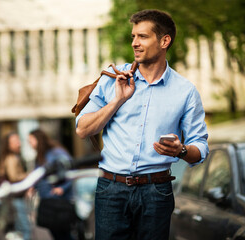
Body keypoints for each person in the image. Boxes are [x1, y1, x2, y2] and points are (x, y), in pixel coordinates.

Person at [75, 9, 209, 240]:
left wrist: (181, 150)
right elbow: (83, 129)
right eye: (133, 37)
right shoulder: (111, 80)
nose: (135, 43)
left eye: (143, 37)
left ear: (164, 41)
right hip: (110, 189)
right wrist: (118, 100)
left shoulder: (185, 91)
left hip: (156, 191)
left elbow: (201, 148)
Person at [28, 129, 74, 240]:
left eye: (31, 141)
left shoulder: (56, 152)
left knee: (64, 234)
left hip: (59, 200)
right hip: (46, 201)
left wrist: (62, 188)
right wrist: (33, 187)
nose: (29, 144)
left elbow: (70, 170)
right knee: (55, 233)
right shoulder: (39, 157)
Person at [0, 132, 32, 240]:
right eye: (15, 141)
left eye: (19, 140)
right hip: (15, 197)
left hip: (9, 196)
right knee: (25, 228)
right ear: (8, 144)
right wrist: (29, 174)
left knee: (15, 228)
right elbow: (13, 177)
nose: (19, 143)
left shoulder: (6, 157)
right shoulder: (11, 158)